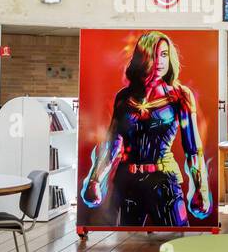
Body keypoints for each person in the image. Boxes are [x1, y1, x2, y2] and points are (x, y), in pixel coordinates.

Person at [80, 31, 212, 227]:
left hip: (165, 182)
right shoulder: (124, 98)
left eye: (164, 54)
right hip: (128, 184)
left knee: (176, 240)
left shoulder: (179, 96)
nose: (160, 61)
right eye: (154, 54)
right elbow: (112, 143)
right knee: (128, 245)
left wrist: (200, 188)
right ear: (142, 57)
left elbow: (193, 148)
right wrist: (95, 180)